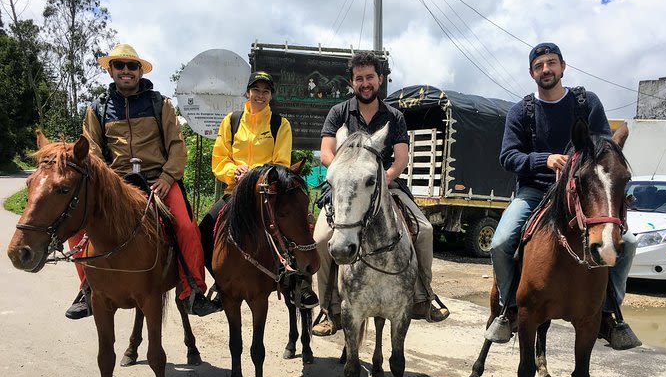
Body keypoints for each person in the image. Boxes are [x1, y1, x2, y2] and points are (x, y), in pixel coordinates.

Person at [485, 42, 640, 350]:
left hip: (582, 190)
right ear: (532, 73)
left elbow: (603, 148)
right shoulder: (521, 111)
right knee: (501, 242)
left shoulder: (587, 103)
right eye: (540, 65)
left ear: (563, 66)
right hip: (534, 190)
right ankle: (508, 308)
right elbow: (508, 156)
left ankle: (609, 313)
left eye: (551, 63)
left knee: (630, 243)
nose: (546, 69)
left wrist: (575, 167)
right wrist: (544, 159)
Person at [65, 43, 221, 319]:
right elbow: (93, 151)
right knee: (77, 228)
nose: (126, 71)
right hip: (115, 183)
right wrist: (110, 182)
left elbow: (176, 146)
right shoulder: (97, 108)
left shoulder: (159, 103)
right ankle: (87, 290)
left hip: (158, 179)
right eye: (120, 65)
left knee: (186, 226)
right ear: (111, 70)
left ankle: (192, 291)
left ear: (139, 71)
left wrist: (166, 177)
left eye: (132, 66)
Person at [311, 51, 449, 336]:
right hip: (346, 188)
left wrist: (382, 180)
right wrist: (348, 172)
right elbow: (326, 151)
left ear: (380, 79)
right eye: (359, 78)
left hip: (387, 186)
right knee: (322, 238)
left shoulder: (394, 116)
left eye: (370, 77)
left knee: (423, 231)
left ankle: (423, 297)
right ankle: (328, 308)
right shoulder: (338, 113)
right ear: (352, 82)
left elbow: (401, 158)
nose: (365, 83)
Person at [198, 71, 319, 309]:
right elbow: (219, 158)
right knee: (203, 232)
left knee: (295, 229)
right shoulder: (231, 121)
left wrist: (252, 175)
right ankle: (219, 285)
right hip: (234, 193)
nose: (260, 96)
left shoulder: (279, 124)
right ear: (247, 92)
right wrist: (233, 171)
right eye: (256, 90)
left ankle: (298, 285)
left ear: (270, 96)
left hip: (269, 194)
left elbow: (281, 163)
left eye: (265, 91)